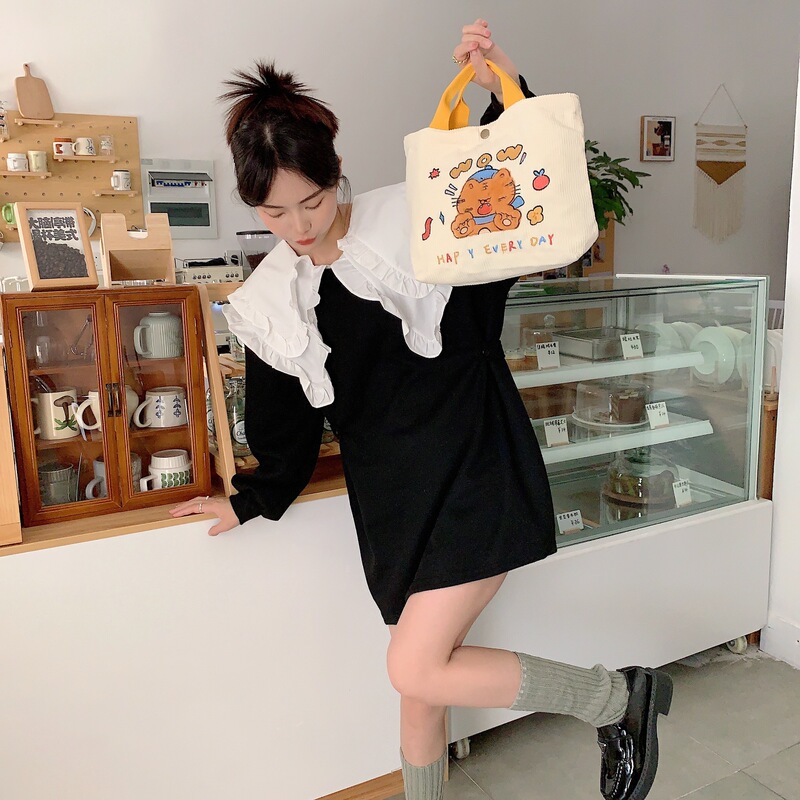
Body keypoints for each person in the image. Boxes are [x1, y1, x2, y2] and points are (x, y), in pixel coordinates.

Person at [170, 19, 672, 800]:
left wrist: (503, 87)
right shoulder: (272, 300)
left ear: (337, 174)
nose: (299, 227)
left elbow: (507, 183)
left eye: (312, 201)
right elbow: (286, 427)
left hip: (474, 463)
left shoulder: (417, 220)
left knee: (412, 666)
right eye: (275, 214)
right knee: (422, 690)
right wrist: (248, 501)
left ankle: (618, 700)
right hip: (394, 498)